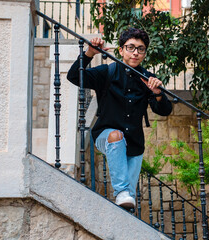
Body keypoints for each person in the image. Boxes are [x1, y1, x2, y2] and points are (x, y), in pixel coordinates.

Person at [67, 28, 172, 209]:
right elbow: (74, 76)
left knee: (127, 201)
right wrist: (90, 53)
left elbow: (164, 110)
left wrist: (158, 94)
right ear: (121, 50)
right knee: (116, 139)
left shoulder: (148, 79)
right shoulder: (107, 72)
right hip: (106, 135)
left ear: (144, 53)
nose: (135, 52)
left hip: (135, 144)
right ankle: (121, 191)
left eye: (140, 49)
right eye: (130, 47)